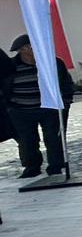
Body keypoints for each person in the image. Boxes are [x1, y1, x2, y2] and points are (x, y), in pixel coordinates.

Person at [4, 33, 72, 178]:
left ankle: (55, 166)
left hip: (49, 108)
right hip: (21, 110)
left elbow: (65, 83)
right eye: (31, 47)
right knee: (27, 140)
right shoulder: (10, 66)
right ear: (22, 50)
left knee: (54, 138)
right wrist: (8, 106)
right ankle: (31, 167)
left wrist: (65, 101)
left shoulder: (53, 63)